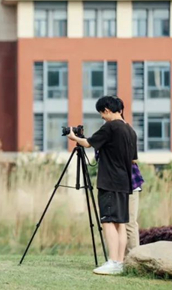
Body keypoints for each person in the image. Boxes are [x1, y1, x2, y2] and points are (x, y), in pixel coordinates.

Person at [67, 96, 136, 275]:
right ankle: (119, 263)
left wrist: (73, 136)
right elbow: (134, 158)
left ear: (106, 110)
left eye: (101, 114)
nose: (102, 118)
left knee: (107, 221)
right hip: (124, 181)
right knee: (120, 222)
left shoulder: (110, 127)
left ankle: (113, 262)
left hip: (110, 181)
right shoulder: (130, 130)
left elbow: (87, 143)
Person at [113, 97, 144, 255]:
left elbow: (132, 158)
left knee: (129, 222)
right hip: (123, 182)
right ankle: (122, 257)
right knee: (122, 222)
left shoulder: (123, 130)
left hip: (128, 182)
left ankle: (133, 258)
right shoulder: (127, 129)